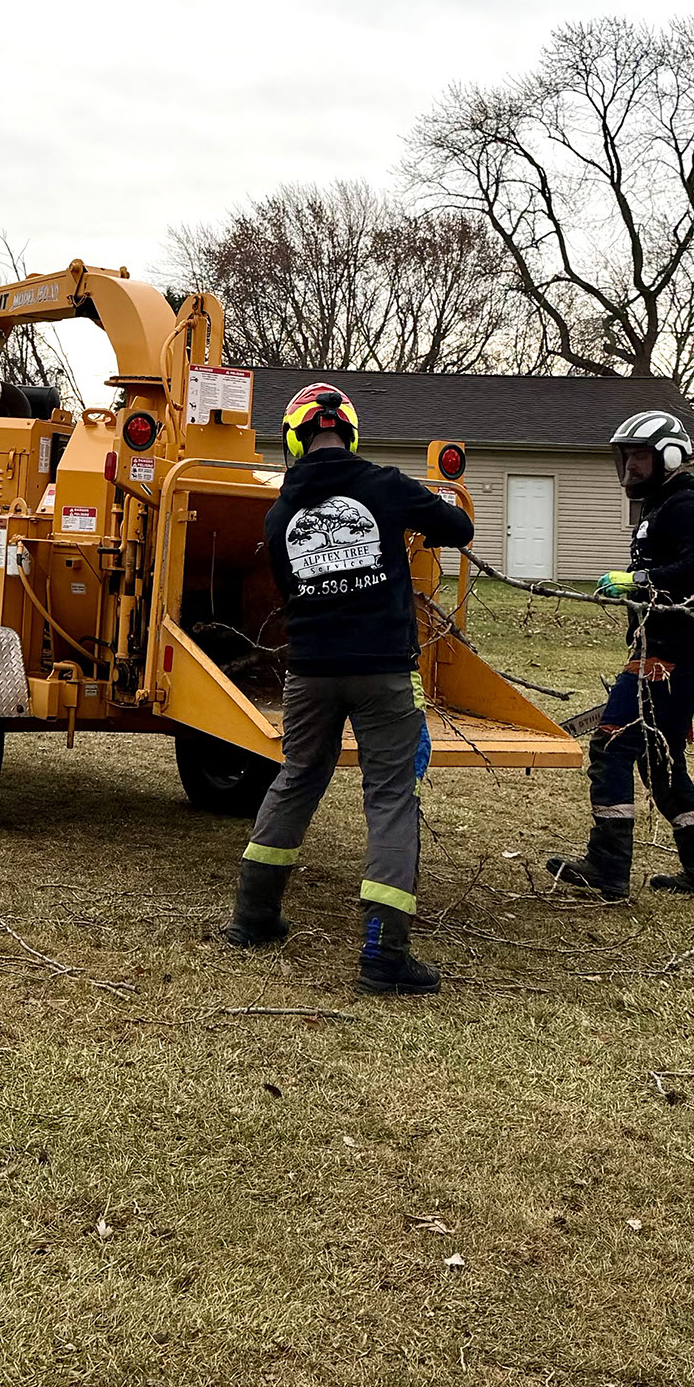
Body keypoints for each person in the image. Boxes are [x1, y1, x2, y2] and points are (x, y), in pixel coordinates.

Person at [223, 383, 476, 995]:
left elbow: (290, 587)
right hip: (382, 669)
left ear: (294, 439)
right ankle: (384, 953)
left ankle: (252, 917)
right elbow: (458, 527)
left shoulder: (279, 513)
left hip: (310, 672)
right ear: (351, 432)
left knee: (297, 778)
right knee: (390, 796)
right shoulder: (383, 485)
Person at [547, 409, 694, 901]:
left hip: (675, 652)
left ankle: (607, 869)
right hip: (664, 646)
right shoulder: (660, 504)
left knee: (611, 744)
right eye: (626, 458)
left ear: (668, 457)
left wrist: (640, 581)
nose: (630, 468)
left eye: (639, 458)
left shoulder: (687, 504)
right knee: (658, 758)